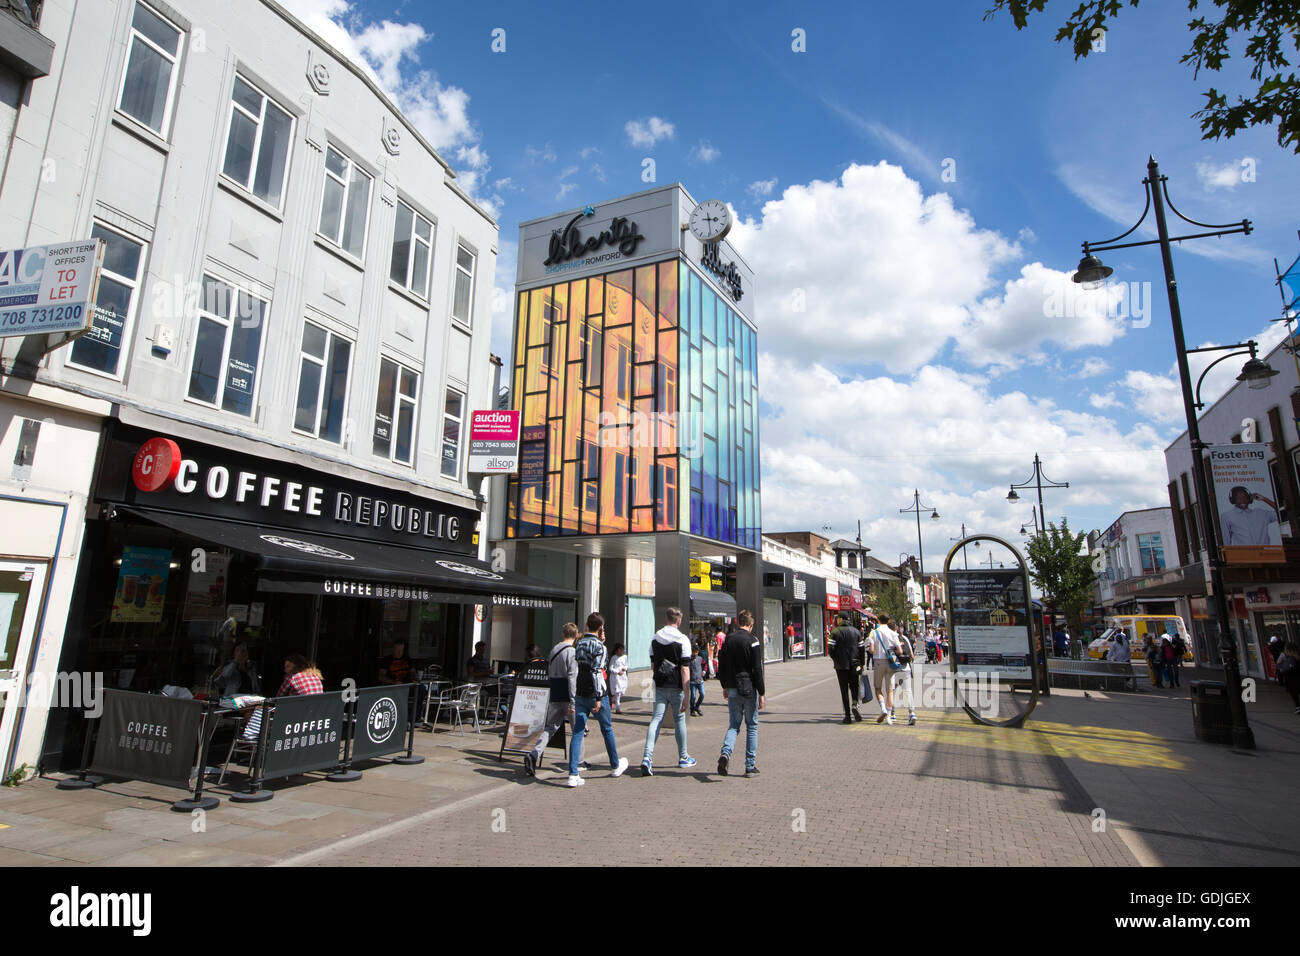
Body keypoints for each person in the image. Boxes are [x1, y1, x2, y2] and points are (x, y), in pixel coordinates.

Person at [567, 613, 630, 786]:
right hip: (596, 694)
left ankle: (573, 773)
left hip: (580, 692)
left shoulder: (578, 643)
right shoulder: (600, 647)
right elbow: (597, 672)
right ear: (601, 628)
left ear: (587, 625)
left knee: (578, 732)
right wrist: (597, 696)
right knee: (607, 729)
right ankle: (615, 765)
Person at [641, 607, 694, 776]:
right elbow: (685, 669)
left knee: (656, 719)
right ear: (678, 621)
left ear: (666, 619)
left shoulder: (655, 638)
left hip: (660, 685)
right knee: (679, 721)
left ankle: (647, 757)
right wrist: (687, 693)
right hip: (677, 686)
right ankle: (683, 757)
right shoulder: (683, 640)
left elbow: (653, 664)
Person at [523, 624, 578, 778]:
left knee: (550, 727)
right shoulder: (572, 653)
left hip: (555, 692)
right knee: (577, 730)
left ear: (563, 634)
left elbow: (549, 671)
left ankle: (534, 754)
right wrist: (573, 701)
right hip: (567, 693)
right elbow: (572, 678)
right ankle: (577, 762)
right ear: (575, 636)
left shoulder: (554, 650)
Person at [717, 609, 764, 777]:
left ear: (738, 623)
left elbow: (721, 663)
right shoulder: (753, 641)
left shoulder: (728, 639)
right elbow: (757, 669)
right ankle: (750, 766)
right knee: (751, 725)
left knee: (734, 724)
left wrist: (724, 685)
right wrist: (762, 692)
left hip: (732, 687)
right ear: (751, 624)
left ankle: (725, 753)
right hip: (749, 687)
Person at [826, 613, 864, 723]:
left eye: (837, 618)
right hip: (855, 664)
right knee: (854, 687)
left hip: (841, 665)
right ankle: (855, 704)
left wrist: (836, 659)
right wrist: (862, 663)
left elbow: (830, 649)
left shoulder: (835, 632)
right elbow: (861, 649)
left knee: (844, 690)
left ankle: (847, 716)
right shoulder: (856, 632)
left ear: (841, 619)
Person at [868, 614, 903, 724]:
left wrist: (875, 651)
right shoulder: (893, 633)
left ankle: (882, 708)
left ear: (878, 620)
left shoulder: (874, 632)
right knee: (890, 691)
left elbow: (871, 650)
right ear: (888, 621)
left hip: (878, 661)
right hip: (891, 663)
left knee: (878, 687)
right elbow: (900, 651)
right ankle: (888, 717)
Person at [1276, 640, 1300, 713]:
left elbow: (1279, 665)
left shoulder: (1288, 657)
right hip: (1296, 677)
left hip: (1291, 678)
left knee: (1294, 693)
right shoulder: (1297, 656)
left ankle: (1298, 707)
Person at [608, 643, 628, 713]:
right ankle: (618, 708)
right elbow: (610, 668)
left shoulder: (625, 657)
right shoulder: (614, 658)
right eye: (620, 650)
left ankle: (612, 700)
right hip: (616, 677)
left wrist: (624, 669)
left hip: (623, 676)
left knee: (622, 690)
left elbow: (626, 665)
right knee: (617, 692)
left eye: (622, 649)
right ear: (616, 650)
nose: (621, 651)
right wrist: (617, 672)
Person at [689, 639, 706, 716]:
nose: (695, 653)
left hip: (700, 680)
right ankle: (692, 708)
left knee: (702, 694)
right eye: (693, 652)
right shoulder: (689, 659)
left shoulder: (700, 659)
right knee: (693, 696)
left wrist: (704, 671)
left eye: (696, 652)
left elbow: (705, 665)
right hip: (692, 681)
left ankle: (697, 706)